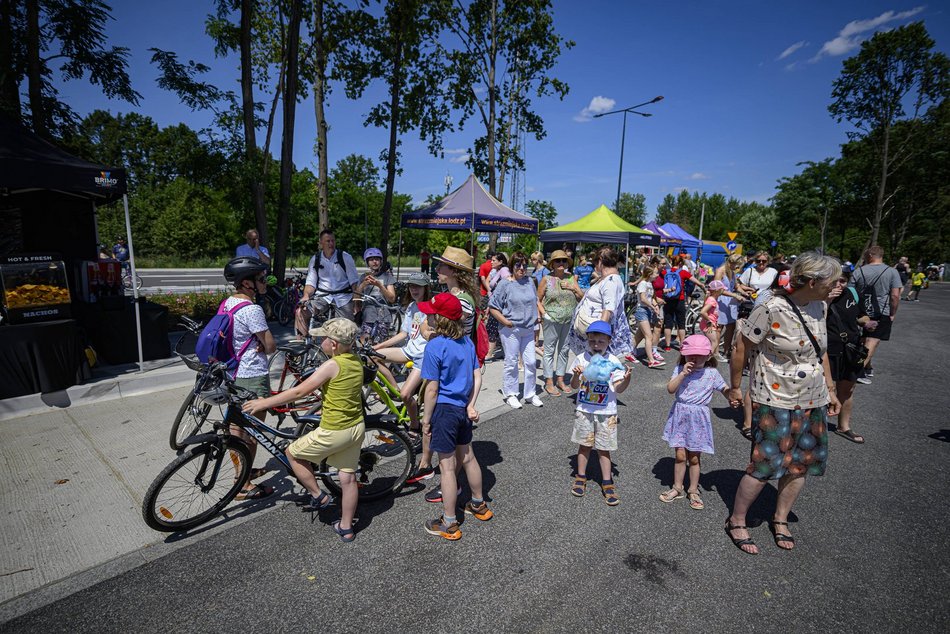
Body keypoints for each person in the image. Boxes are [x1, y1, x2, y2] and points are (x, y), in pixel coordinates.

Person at [725, 252, 842, 555]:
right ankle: (737, 520)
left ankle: (780, 518)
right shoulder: (770, 307)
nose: (836, 286)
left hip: (812, 398)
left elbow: (820, 353)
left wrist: (830, 389)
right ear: (812, 281)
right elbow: (740, 347)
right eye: (831, 281)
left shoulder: (821, 305)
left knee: (800, 464)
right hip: (774, 398)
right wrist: (735, 387)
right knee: (764, 464)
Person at [243, 318, 364, 542]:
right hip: (355, 427)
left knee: (292, 453)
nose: (319, 341)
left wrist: (263, 403)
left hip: (334, 430)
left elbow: (299, 392)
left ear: (334, 344)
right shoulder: (355, 360)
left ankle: (319, 496)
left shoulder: (332, 365)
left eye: (323, 338)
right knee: (347, 478)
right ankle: (346, 528)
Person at [420, 292, 493, 540]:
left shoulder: (435, 346)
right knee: (469, 457)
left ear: (440, 319)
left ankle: (449, 522)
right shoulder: (466, 343)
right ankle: (478, 503)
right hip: (462, 408)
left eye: (431, 314)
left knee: (447, 467)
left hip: (444, 410)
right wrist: (470, 404)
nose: (427, 317)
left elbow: (431, 389)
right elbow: (476, 376)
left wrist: (426, 420)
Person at [222, 256, 277, 500]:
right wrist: (263, 343)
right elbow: (271, 346)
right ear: (247, 283)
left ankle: (242, 471)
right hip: (253, 375)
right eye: (261, 279)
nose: (265, 282)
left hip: (233, 373)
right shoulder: (252, 309)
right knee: (253, 432)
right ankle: (242, 484)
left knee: (236, 430)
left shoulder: (228, 303)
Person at [659, 334, 732, 510]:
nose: (694, 358)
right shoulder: (679, 369)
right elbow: (670, 389)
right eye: (690, 354)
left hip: (698, 418)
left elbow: (724, 389)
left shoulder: (712, 373)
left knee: (694, 457)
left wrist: (732, 396)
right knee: (680, 455)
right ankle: (677, 487)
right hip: (681, 414)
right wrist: (683, 374)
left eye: (699, 355)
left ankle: (693, 489)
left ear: (708, 355)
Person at [371, 272, 432, 474]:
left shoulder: (432, 307)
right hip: (408, 351)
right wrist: (379, 346)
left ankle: (414, 426)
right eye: (411, 286)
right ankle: (394, 390)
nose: (414, 289)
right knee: (372, 357)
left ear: (426, 288)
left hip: (423, 356)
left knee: (407, 395)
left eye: (418, 286)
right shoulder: (411, 306)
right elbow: (404, 334)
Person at [568, 321, 632, 505]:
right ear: (587, 340)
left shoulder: (613, 361)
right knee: (584, 445)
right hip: (585, 410)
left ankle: (607, 481)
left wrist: (627, 379)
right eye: (592, 341)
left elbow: (618, 389)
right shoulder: (581, 359)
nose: (596, 345)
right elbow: (574, 386)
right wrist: (576, 375)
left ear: (609, 341)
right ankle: (580, 476)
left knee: (604, 449)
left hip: (607, 411)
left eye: (601, 341)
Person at [826, 269, 875, 444]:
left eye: (843, 281)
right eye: (835, 281)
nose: (839, 285)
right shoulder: (820, 295)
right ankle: (813, 425)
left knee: (847, 389)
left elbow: (861, 315)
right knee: (823, 388)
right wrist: (827, 300)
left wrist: (866, 323)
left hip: (851, 348)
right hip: (827, 349)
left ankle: (844, 427)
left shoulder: (852, 294)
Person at [489, 251, 543, 409]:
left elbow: (535, 300)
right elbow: (493, 307)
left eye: (525, 265)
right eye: (518, 265)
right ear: (512, 266)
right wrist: (506, 322)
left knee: (531, 362)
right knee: (511, 362)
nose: (522, 268)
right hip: (511, 330)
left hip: (528, 328)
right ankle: (511, 394)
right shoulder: (505, 284)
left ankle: (530, 394)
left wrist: (538, 315)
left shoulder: (529, 281)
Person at [567, 247, 634, 360]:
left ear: (600, 261)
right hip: (590, 334)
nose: (594, 266)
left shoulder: (611, 281)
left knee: (595, 368)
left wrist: (597, 340)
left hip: (596, 339)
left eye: (595, 262)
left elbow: (607, 311)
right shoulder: (605, 279)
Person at [851, 245, 902, 385]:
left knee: (864, 340)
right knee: (872, 341)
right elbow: (895, 296)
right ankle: (857, 371)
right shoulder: (891, 272)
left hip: (861, 311)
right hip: (881, 311)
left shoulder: (859, 271)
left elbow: (851, 291)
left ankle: (867, 367)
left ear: (870, 256)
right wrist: (893, 313)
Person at [537, 250, 584, 395]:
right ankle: (549, 381)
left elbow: (582, 297)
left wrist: (573, 288)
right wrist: (544, 314)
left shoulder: (571, 278)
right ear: (552, 264)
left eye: (564, 260)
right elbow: (537, 299)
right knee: (549, 350)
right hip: (551, 320)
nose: (561, 263)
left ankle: (560, 379)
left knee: (564, 350)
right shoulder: (546, 279)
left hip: (568, 320)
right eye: (558, 261)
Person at [300, 229, 360, 328]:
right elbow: (311, 283)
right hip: (323, 296)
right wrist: (306, 295)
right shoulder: (315, 259)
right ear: (321, 243)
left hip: (343, 297)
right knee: (301, 311)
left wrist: (356, 303)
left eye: (333, 241)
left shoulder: (345, 257)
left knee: (345, 329)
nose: (331, 243)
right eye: (328, 241)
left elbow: (354, 283)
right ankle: (304, 336)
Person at [662, 254, 706, 352]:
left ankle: (668, 346)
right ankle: (682, 345)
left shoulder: (665, 272)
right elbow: (696, 281)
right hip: (679, 299)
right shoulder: (683, 272)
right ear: (680, 263)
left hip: (668, 299)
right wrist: (702, 286)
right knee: (681, 324)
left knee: (668, 323)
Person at [355, 247, 396, 344]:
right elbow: (356, 298)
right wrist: (363, 285)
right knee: (364, 342)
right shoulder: (363, 277)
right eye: (371, 259)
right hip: (367, 315)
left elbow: (392, 298)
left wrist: (380, 285)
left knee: (379, 344)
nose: (374, 262)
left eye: (377, 259)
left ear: (381, 261)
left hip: (383, 315)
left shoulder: (387, 277)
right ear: (367, 262)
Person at [714, 254, 747, 362]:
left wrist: (745, 293)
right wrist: (735, 295)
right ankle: (715, 352)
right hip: (720, 301)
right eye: (737, 265)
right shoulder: (720, 271)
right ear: (731, 262)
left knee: (731, 326)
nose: (737, 268)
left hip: (730, 302)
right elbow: (717, 289)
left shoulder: (732, 272)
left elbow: (736, 286)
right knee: (719, 327)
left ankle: (726, 351)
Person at [631, 266, 666, 369]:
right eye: (655, 273)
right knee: (649, 336)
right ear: (650, 274)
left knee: (639, 335)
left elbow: (651, 298)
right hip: (642, 310)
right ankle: (651, 361)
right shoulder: (642, 284)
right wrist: (652, 306)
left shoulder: (649, 284)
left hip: (647, 310)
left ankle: (629, 352)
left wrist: (655, 306)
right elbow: (643, 298)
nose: (657, 275)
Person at [485, 252, 509, 359]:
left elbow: (507, 284)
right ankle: (504, 352)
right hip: (495, 303)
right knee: (495, 328)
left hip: (498, 306)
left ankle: (489, 354)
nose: (491, 262)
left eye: (494, 260)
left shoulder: (504, 270)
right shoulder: (497, 271)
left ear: (501, 261)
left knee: (493, 328)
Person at [700, 280, 726, 354]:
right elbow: (702, 312)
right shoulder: (712, 300)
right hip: (708, 325)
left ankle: (708, 357)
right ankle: (708, 357)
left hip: (709, 324)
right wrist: (709, 321)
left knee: (712, 342)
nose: (723, 291)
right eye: (722, 289)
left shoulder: (711, 299)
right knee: (714, 342)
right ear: (717, 290)